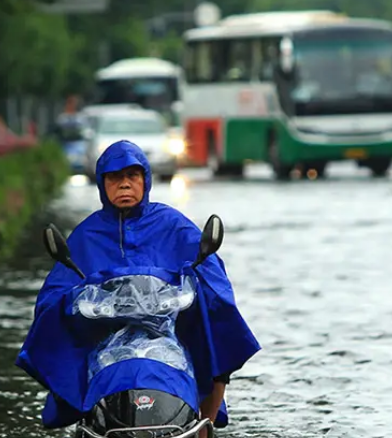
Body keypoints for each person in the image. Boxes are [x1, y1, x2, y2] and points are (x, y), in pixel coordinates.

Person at [15, 139, 261, 432]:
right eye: (115, 177)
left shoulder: (174, 225)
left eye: (132, 176)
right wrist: (70, 301)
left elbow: (210, 273)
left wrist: (196, 286)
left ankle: (206, 420)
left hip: (169, 334)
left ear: (146, 179)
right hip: (106, 341)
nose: (125, 185)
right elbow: (54, 292)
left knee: (221, 315)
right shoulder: (85, 236)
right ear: (102, 184)